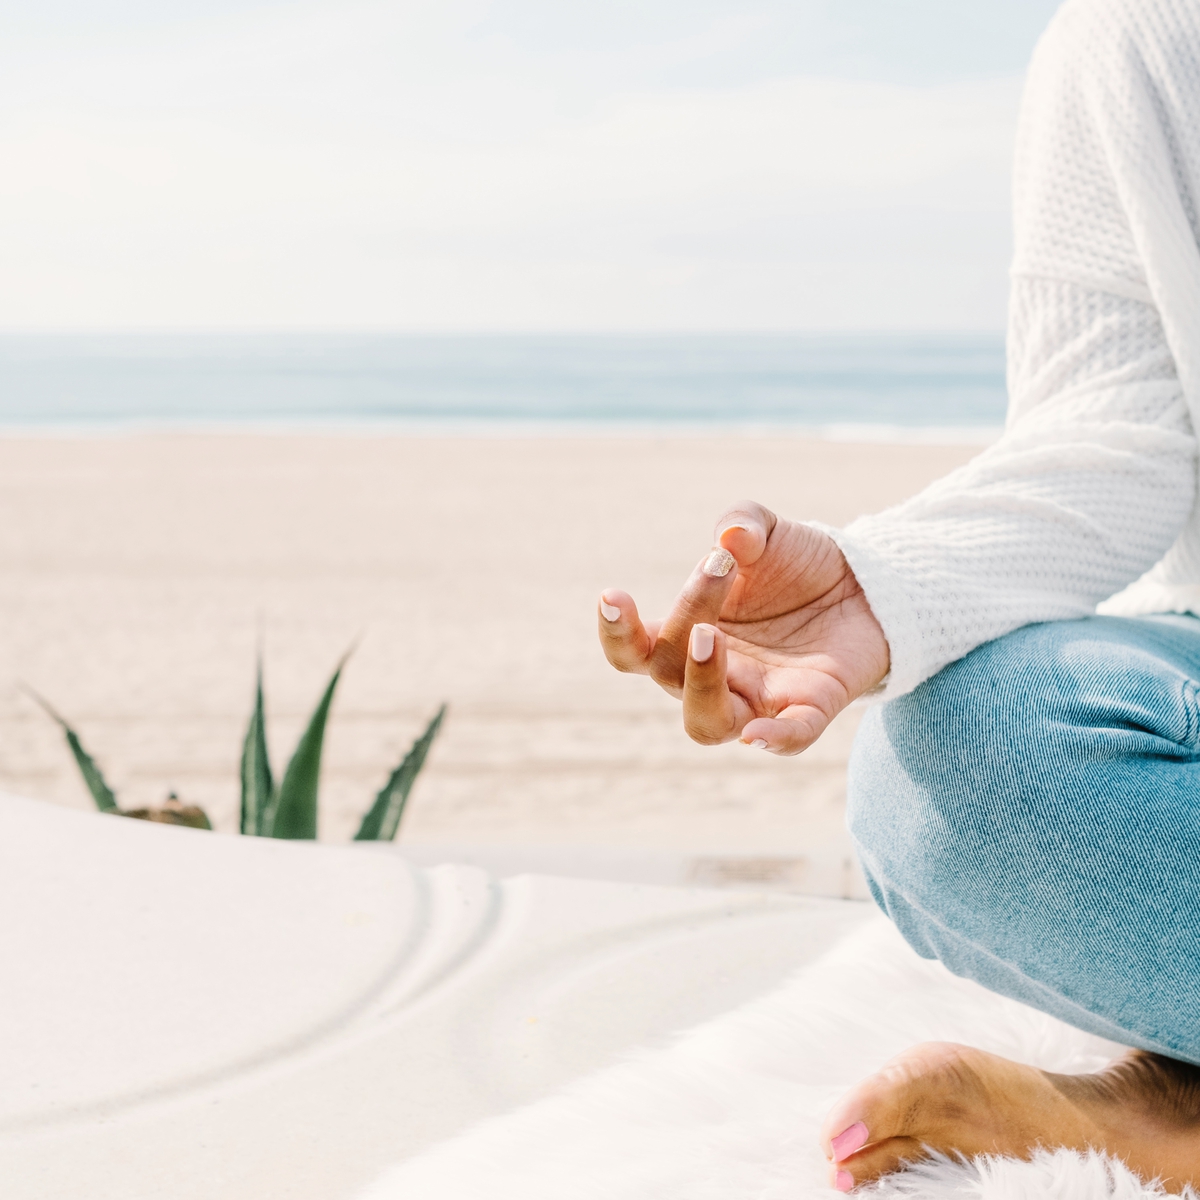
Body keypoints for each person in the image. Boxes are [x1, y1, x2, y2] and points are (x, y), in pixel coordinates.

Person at [598, 0, 1200, 1190]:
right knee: (964, 764)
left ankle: (1178, 1114)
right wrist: (879, 594)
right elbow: (1123, 422)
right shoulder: (1142, 38)